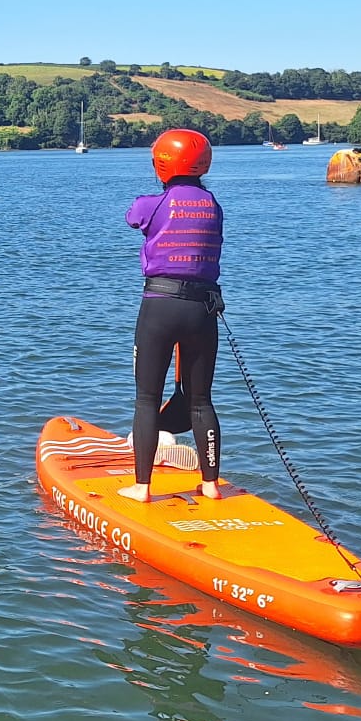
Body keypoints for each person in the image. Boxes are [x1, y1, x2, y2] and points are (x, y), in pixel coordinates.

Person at [124, 128, 223, 502]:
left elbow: (133, 216)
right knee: (201, 400)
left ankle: (142, 487)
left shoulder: (152, 203)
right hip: (203, 309)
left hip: (160, 307)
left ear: (162, 164)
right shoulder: (213, 205)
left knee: (147, 398)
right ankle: (211, 484)